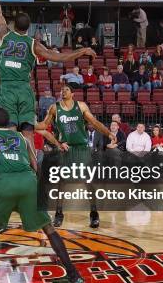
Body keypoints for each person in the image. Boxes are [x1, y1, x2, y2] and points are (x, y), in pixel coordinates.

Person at [0, 106, 85, 283]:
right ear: (9, 123)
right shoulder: (22, 137)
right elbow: (34, 163)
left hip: (4, 182)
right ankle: (73, 274)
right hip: (28, 181)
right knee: (48, 228)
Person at [0, 0, 96, 149]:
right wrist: (83, 50)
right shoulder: (34, 44)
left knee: (8, 131)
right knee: (28, 133)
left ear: (13, 24)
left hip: (6, 88)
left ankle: (10, 165)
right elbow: (60, 57)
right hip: (24, 89)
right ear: (28, 28)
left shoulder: (4, 34)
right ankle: (32, 170)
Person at [37, 84, 115, 228]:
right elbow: (43, 125)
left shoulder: (81, 106)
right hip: (66, 149)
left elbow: (95, 122)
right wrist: (27, 124)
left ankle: (93, 213)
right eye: (62, 90)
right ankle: (59, 214)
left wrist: (108, 133)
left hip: (81, 148)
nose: (63, 91)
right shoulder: (55, 108)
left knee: (88, 181)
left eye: (66, 90)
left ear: (73, 94)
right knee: (62, 182)